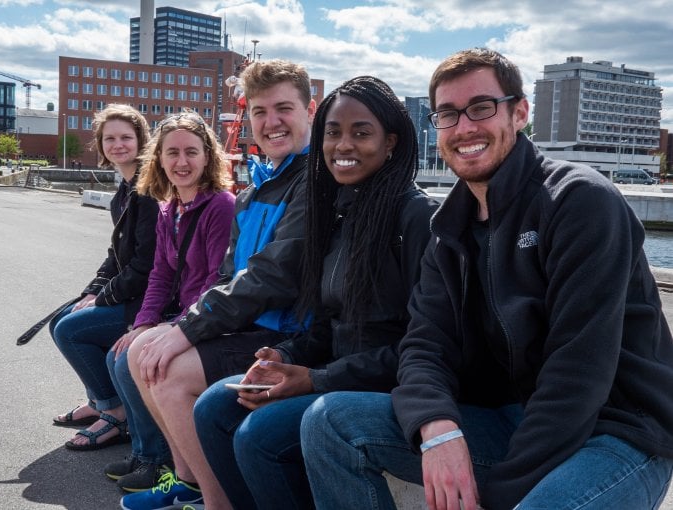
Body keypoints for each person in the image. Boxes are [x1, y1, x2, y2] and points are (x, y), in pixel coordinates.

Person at [300, 48, 673, 510]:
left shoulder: (579, 202)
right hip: (515, 416)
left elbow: (578, 375)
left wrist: (500, 494)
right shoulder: (449, 227)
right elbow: (423, 345)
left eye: (481, 108)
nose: (465, 128)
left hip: (618, 431)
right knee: (330, 422)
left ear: (519, 113)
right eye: (448, 114)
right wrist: (435, 425)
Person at [194, 75, 439, 510]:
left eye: (361, 133)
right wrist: (286, 356)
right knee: (217, 406)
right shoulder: (341, 212)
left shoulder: (416, 218)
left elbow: (425, 345)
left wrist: (317, 379)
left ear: (391, 144)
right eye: (333, 132)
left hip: (389, 387)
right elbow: (330, 322)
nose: (343, 145)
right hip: (336, 371)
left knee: (260, 437)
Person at [121, 59, 316, 510]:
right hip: (251, 325)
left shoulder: (312, 185)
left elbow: (273, 276)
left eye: (283, 108)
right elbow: (228, 276)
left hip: (288, 333)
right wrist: (179, 325)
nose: (271, 122)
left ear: (310, 110)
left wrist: (186, 329)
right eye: (260, 112)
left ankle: (216, 501)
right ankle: (188, 482)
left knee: (167, 372)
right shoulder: (255, 191)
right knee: (141, 352)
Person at [103, 110, 236, 493]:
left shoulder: (220, 206)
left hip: (207, 317)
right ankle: (178, 471)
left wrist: (174, 326)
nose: (181, 162)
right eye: (172, 153)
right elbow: (160, 275)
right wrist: (143, 322)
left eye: (191, 152)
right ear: (158, 158)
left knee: (143, 359)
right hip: (182, 313)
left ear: (208, 157)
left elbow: (216, 279)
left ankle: (169, 466)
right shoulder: (170, 209)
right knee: (127, 349)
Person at [50, 104, 158, 451]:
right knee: (61, 320)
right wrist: (91, 291)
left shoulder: (149, 192)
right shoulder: (123, 192)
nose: (118, 144)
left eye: (126, 137)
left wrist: (104, 298)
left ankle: (114, 412)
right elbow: (116, 256)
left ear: (142, 141)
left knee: (71, 330)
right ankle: (100, 401)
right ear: (100, 143)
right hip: (129, 292)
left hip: (149, 302)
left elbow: (146, 265)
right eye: (109, 138)